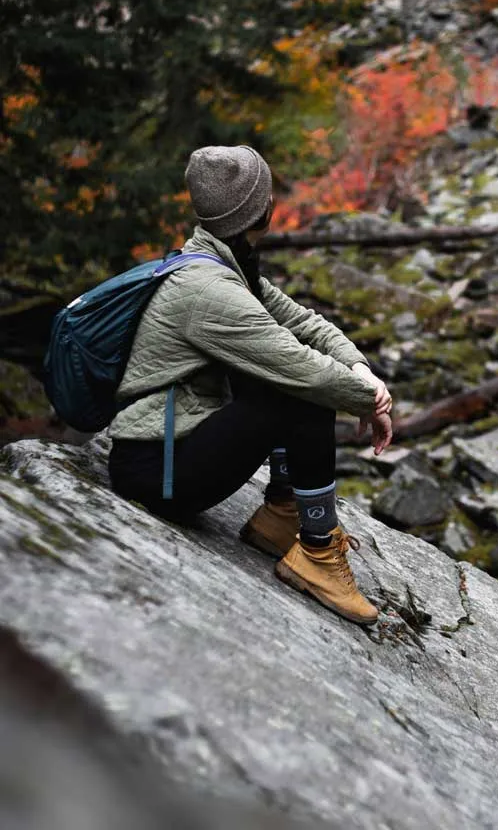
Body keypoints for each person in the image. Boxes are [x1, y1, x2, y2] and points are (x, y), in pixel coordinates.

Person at [107, 145, 392, 625]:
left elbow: (305, 323)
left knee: (293, 376)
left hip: (166, 451)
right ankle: (318, 554)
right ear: (260, 211)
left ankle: (281, 514)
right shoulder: (210, 291)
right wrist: (369, 400)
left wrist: (361, 371)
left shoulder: (220, 264)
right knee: (301, 389)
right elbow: (302, 369)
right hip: (157, 472)